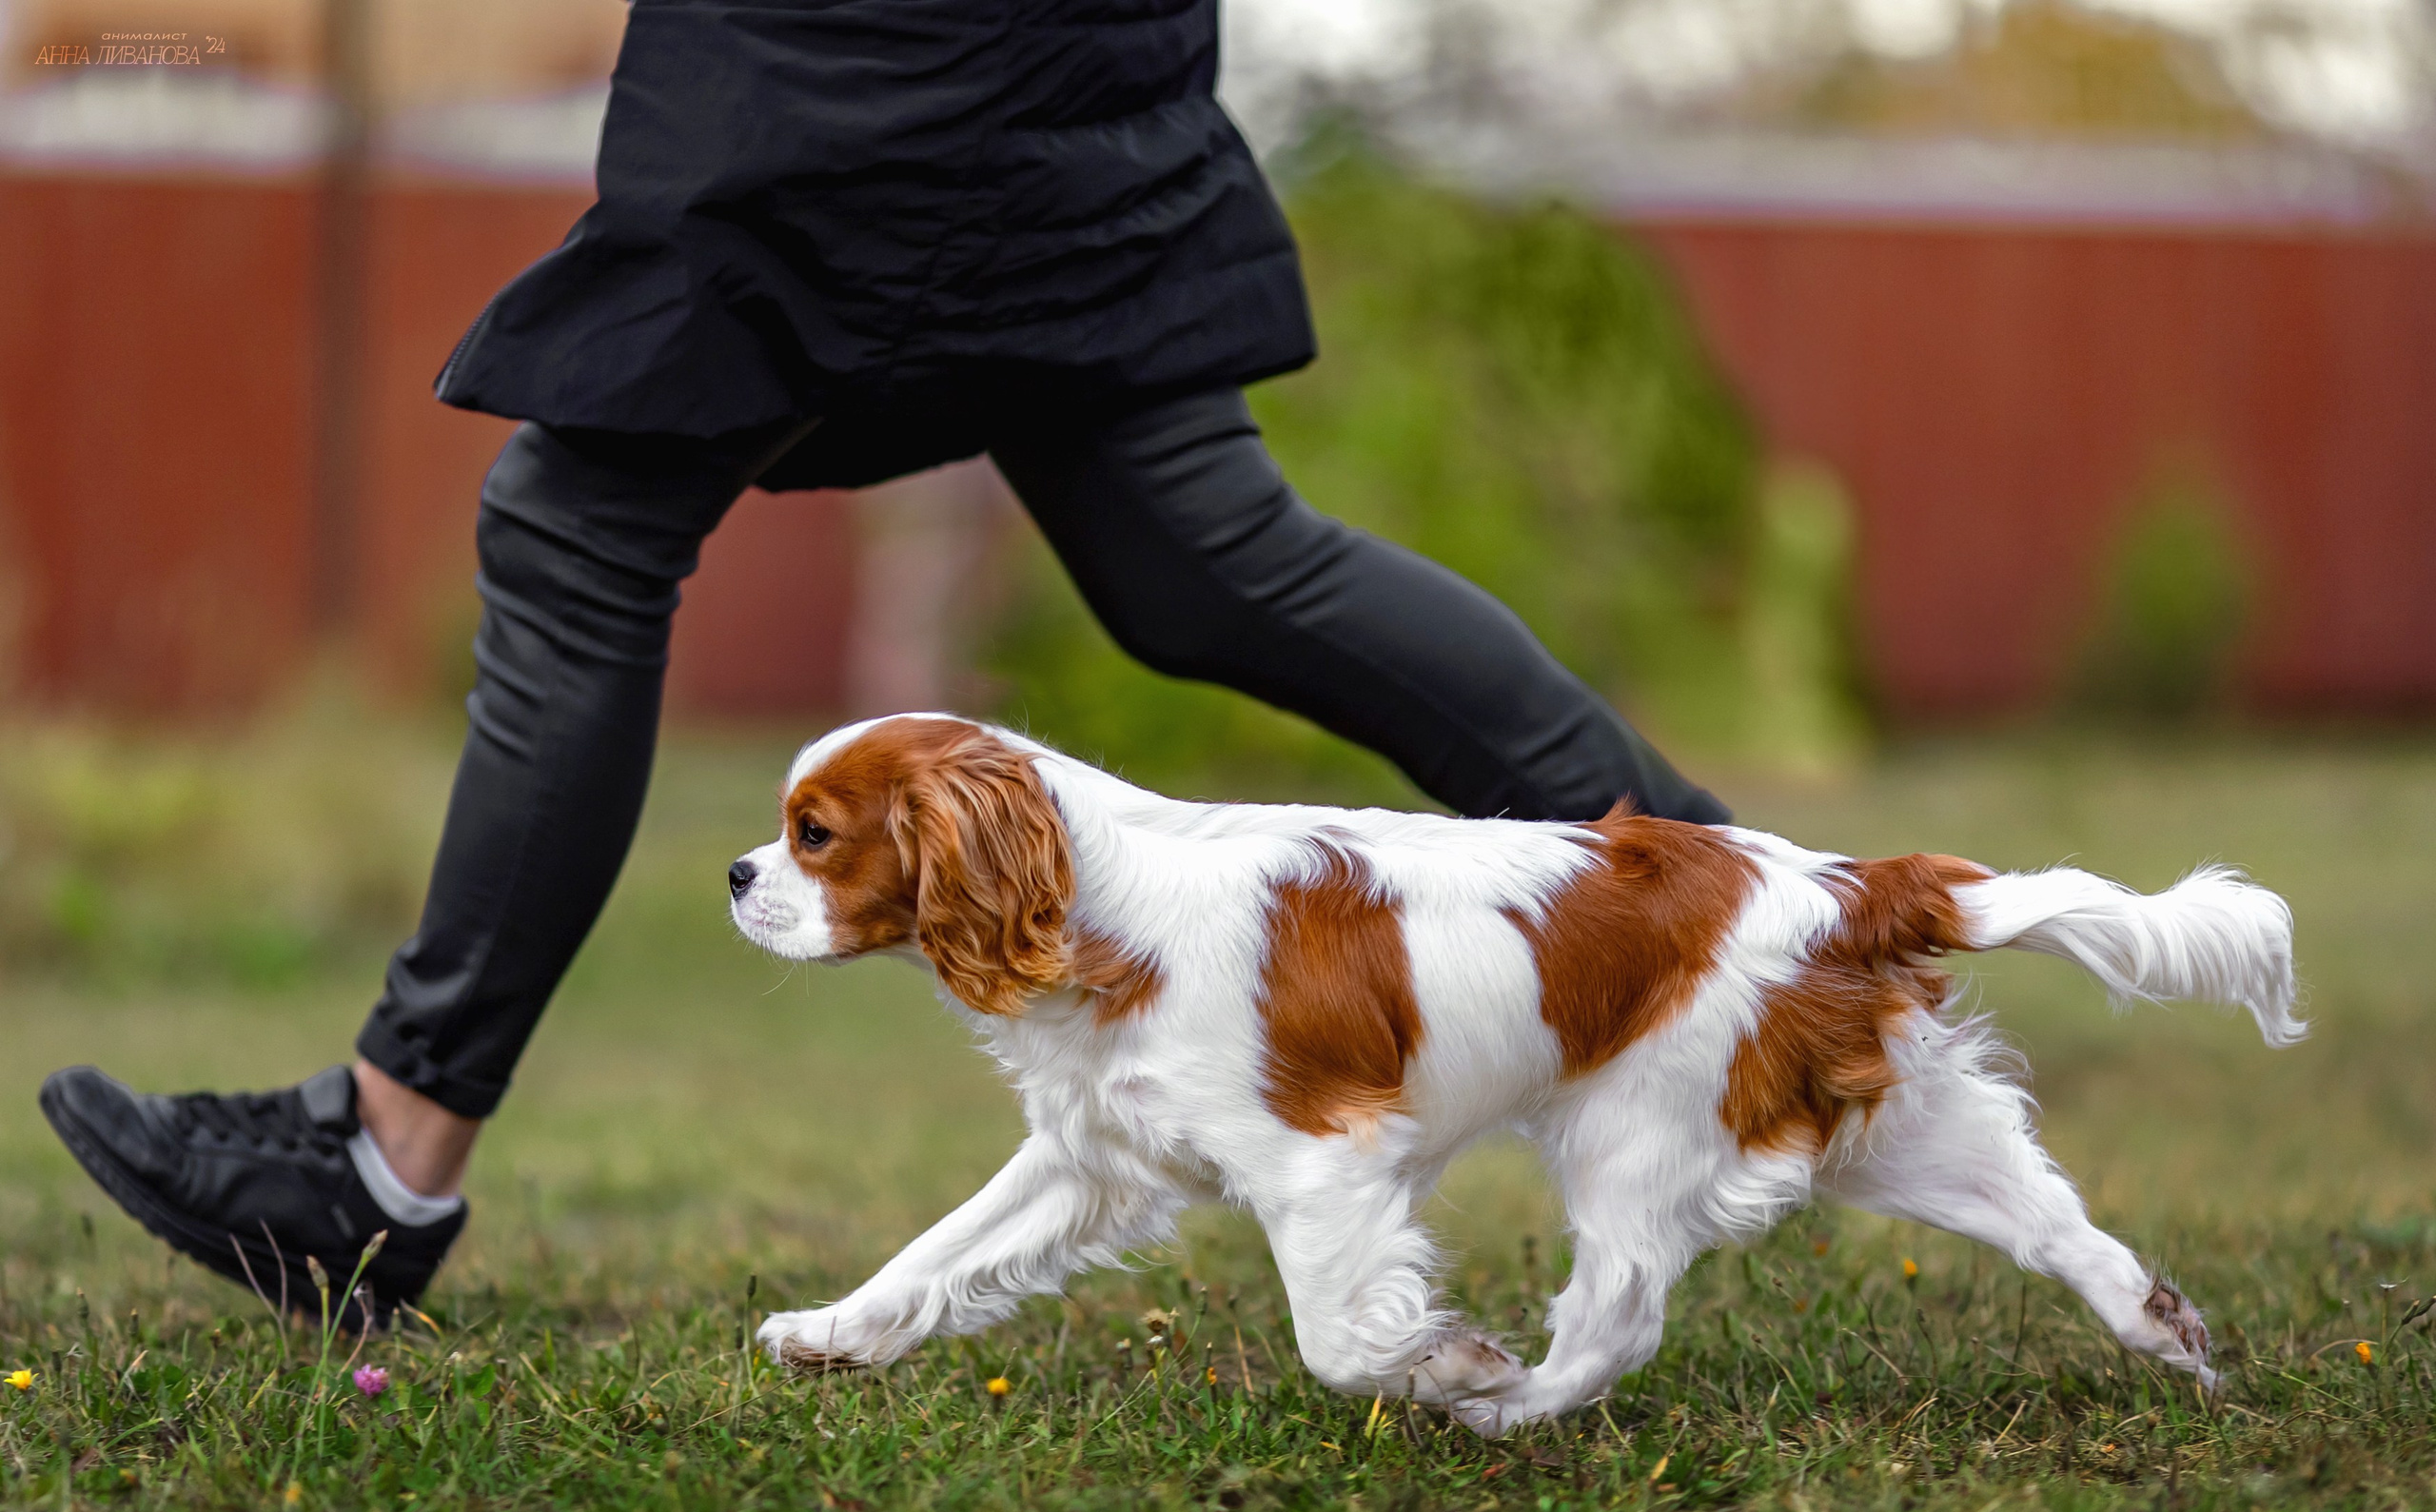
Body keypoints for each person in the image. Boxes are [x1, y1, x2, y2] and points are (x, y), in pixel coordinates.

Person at [40, 0, 1729, 1324]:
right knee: (1200, 556)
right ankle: (1736, 911)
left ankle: (385, 1152)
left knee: (581, 521)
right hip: (1045, 52)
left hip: (886, 56)